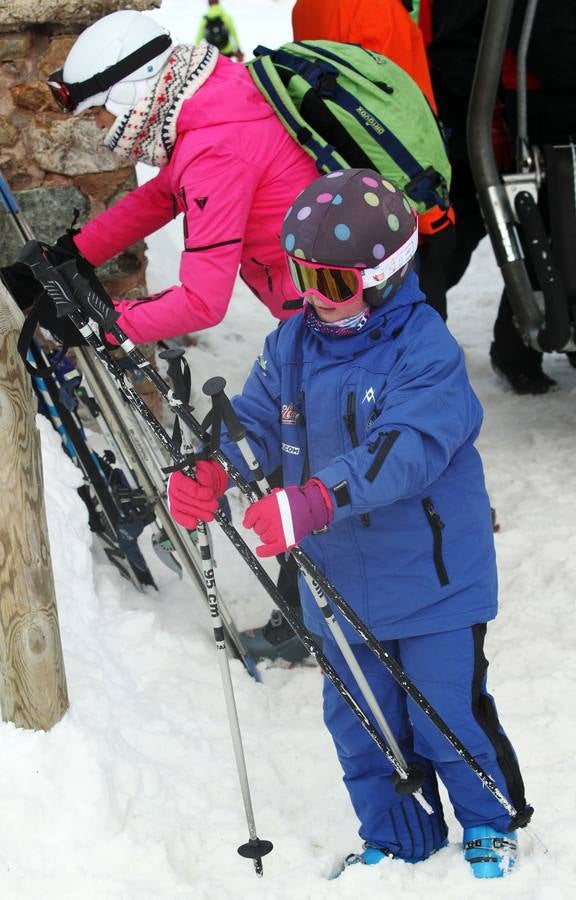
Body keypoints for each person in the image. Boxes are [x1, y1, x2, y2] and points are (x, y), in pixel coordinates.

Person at [167, 168, 533, 877]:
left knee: (443, 712)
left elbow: (405, 449)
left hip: (433, 582)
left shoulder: (425, 352)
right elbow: (257, 423)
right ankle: (398, 835)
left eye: (332, 283)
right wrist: (218, 467)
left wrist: (314, 499)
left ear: (387, 275)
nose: (312, 296)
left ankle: (490, 819)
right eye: (302, 275)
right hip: (337, 582)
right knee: (360, 723)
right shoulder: (291, 345)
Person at [0, 8, 320, 664]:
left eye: (101, 115)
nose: (104, 131)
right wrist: (69, 256)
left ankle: (310, 614)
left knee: (312, 450)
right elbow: (163, 197)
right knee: (313, 446)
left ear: (133, 90)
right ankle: (318, 597)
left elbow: (204, 300)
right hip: (318, 306)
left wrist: (100, 326)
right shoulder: (210, 98)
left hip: (333, 320)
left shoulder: (214, 139)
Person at [422, 0, 576, 394]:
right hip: (505, 105)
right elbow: (455, 39)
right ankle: (515, 348)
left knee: (552, 229)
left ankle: (539, 336)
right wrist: (492, 107)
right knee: (475, 231)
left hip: (531, 97)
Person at [291, 0, 456, 321]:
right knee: (406, 321)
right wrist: (434, 213)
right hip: (401, 196)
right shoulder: (373, 9)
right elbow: (390, 121)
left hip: (347, 182)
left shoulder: (309, 6)